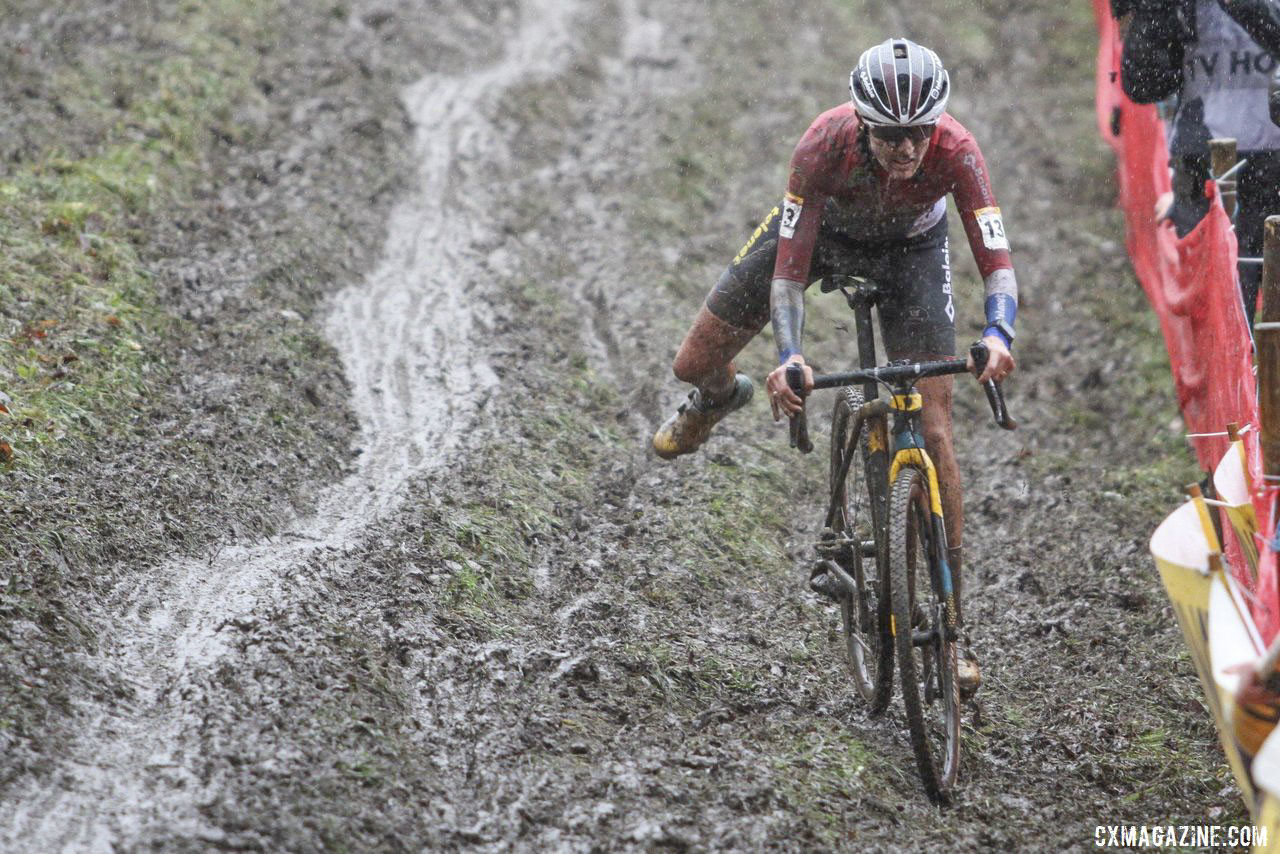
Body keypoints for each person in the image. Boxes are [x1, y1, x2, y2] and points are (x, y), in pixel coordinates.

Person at [652, 38, 1019, 693]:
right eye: (889, 135)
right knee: (692, 360)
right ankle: (715, 398)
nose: (907, 148)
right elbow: (788, 277)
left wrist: (997, 333)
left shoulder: (958, 150)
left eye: (918, 133)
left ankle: (953, 626)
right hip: (822, 236)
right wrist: (790, 356)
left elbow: (996, 258)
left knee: (935, 432)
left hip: (911, 253)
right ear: (862, 124)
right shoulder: (823, 146)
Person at [1120, 0, 1280, 318]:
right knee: (1219, 314)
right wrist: (1154, 12)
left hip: (1273, 165)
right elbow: (1144, 84)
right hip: (1204, 167)